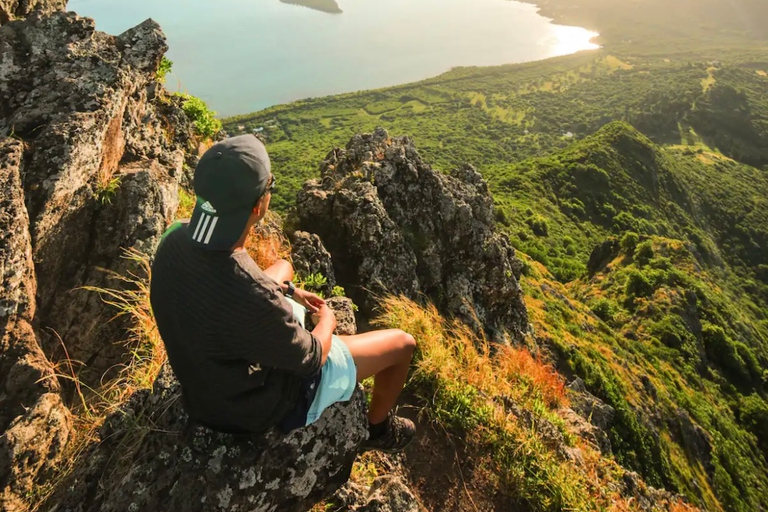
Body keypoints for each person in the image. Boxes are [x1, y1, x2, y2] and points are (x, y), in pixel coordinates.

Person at [149, 134, 416, 453]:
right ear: (258, 205)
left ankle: (287, 288)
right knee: (403, 344)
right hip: (252, 410)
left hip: (202, 390)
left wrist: (288, 290)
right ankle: (377, 429)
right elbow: (312, 358)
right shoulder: (251, 291)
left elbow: (228, 288)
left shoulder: (172, 240)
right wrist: (328, 320)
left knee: (284, 267)